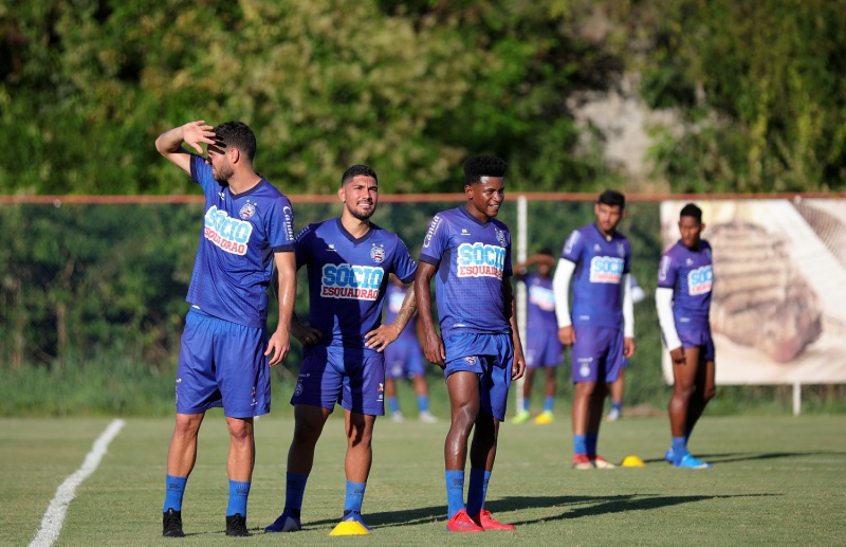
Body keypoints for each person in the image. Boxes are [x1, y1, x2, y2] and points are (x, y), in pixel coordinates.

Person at [155, 120, 297, 537]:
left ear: (233, 155)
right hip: (201, 323)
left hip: (244, 330)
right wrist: (182, 131)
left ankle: (236, 517)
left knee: (239, 425)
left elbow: (287, 272)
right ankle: (171, 513)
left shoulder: (274, 204)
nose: (206, 160)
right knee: (186, 421)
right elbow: (163, 147)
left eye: (213, 154)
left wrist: (283, 327)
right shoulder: (212, 183)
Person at [265, 164, 418, 536]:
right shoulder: (315, 235)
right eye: (359, 188)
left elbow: (420, 283)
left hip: (366, 354)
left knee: (360, 434)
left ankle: (352, 514)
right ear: (342, 194)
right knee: (306, 432)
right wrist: (293, 326)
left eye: (373, 189)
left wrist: (396, 326)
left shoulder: (390, 244)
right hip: (323, 351)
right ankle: (291, 514)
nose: (367, 195)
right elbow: (279, 273)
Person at [415, 155, 526, 533]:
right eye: (490, 191)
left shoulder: (502, 233)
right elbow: (421, 279)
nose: (497, 197)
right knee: (465, 413)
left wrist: (517, 343)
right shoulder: (445, 224)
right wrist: (429, 332)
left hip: (499, 338)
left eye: (501, 190)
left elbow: (506, 291)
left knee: (490, 425)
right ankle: (455, 511)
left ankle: (478, 510)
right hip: (461, 333)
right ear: (470, 191)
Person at [553, 190, 635, 470]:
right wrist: (564, 321)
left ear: (622, 214)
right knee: (586, 386)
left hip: (613, 326)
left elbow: (625, 290)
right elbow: (560, 279)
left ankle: (592, 451)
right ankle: (578, 454)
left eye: (614, 213)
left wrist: (629, 330)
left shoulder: (623, 245)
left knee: (601, 388)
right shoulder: (581, 237)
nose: (608, 218)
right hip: (586, 324)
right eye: (604, 211)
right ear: (596, 210)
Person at [656, 203, 715, 469]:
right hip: (684, 329)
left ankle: (677, 446)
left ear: (701, 227)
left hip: (704, 328)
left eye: (692, 227)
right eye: (683, 227)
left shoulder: (706, 250)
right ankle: (679, 452)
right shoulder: (672, 258)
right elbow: (661, 300)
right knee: (684, 390)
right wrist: (673, 340)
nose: (687, 232)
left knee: (706, 391)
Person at [512, 249, 563, 425]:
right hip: (534, 333)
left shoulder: (557, 283)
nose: (543, 266)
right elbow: (516, 270)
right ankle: (524, 410)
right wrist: (534, 259)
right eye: (540, 263)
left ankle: (548, 411)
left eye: (546, 263)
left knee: (550, 373)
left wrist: (550, 260)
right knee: (530, 371)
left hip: (553, 334)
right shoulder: (531, 279)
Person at [383, 276, 438, 423]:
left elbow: (420, 319)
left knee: (419, 375)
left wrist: (424, 341)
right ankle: (395, 412)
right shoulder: (388, 291)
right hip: (392, 342)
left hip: (411, 341)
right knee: (389, 377)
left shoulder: (415, 292)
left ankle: (424, 411)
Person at [605, 275, 646, 421]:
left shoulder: (624, 274)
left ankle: (616, 408)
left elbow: (638, 294)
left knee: (618, 371)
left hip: (618, 330)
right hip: (596, 330)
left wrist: (624, 298)